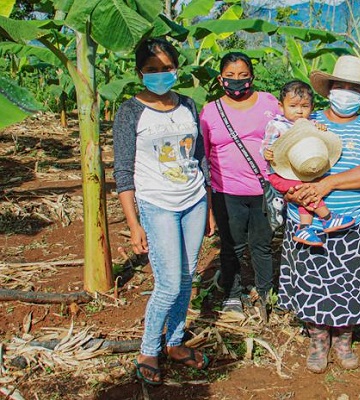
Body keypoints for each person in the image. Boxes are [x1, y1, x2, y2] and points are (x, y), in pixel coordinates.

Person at [277, 55, 360, 373]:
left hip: (350, 221)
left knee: (349, 283)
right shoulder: (304, 124)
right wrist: (290, 190)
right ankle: (318, 342)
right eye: (341, 86)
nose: (347, 93)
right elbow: (280, 161)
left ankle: (343, 341)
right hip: (306, 221)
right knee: (311, 280)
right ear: (329, 90)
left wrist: (328, 184)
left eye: (355, 88)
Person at [113, 38, 213, 385]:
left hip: (194, 200)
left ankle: (174, 342)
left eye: (166, 69)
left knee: (187, 276)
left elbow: (200, 159)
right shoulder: (130, 111)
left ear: (176, 69)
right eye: (151, 71)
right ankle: (147, 349)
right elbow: (123, 171)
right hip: (157, 204)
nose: (159, 76)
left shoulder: (187, 104)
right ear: (140, 73)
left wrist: (209, 207)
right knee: (169, 284)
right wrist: (134, 223)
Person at [200, 52, 279, 314]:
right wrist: (208, 199)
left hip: (263, 190)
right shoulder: (210, 111)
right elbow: (204, 155)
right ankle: (232, 293)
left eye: (243, 76)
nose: (236, 81)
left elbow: (289, 130)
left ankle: (266, 292)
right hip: (226, 191)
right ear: (221, 78)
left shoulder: (269, 103)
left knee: (262, 244)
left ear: (252, 77)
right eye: (230, 76)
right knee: (232, 245)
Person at [261, 80, 355, 247]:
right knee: (306, 191)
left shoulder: (310, 124)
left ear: (312, 107)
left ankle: (305, 227)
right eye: (293, 106)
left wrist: (319, 128)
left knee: (304, 192)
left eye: (304, 106)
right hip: (279, 173)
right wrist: (266, 152)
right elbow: (265, 147)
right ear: (281, 107)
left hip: (301, 171)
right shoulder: (276, 125)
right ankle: (327, 218)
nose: (299, 111)